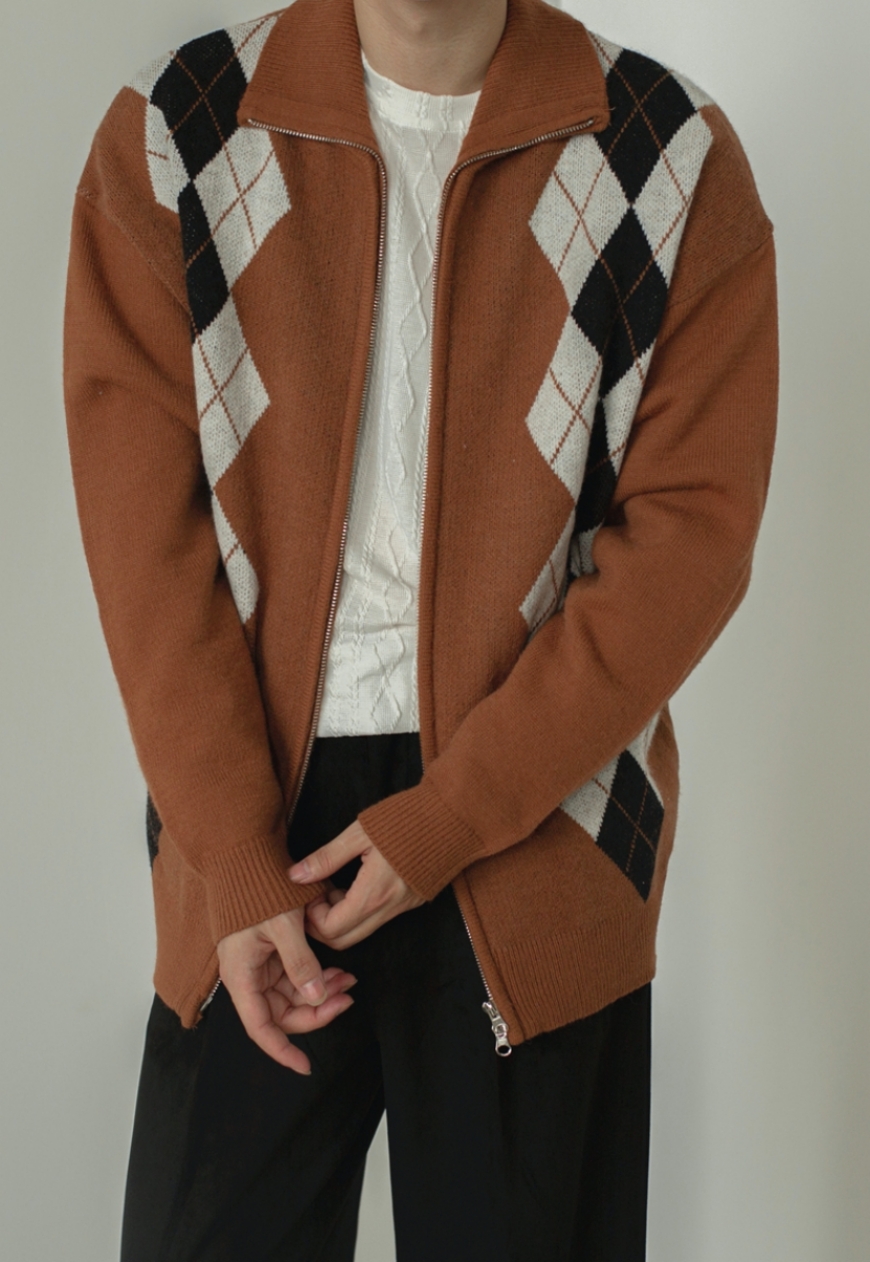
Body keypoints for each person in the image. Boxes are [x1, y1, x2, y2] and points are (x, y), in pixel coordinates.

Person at [63, 0, 778, 1257]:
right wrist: (233, 852)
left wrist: (453, 813)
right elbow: (147, 549)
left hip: (546, 819)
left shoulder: (669, 156)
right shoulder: (178, 135)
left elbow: (688, 546)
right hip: (254, 828)